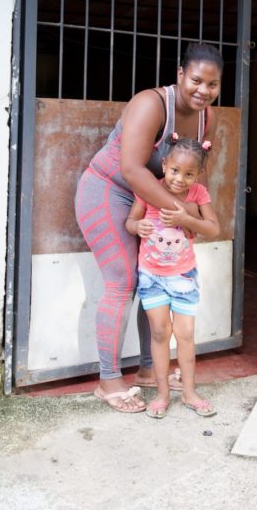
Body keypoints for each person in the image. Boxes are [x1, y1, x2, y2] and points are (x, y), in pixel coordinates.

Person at [75, 42, 223, 412]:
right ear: (180, 75)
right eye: (196, 80)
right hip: (110, 192)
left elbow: (192, 172)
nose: (203, 91)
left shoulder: (209, 119)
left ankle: (147, 370)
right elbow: (132, 170)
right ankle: (108, 381)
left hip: (155, 202)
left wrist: (187, 215)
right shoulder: (151, 103)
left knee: (153, 276)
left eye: (213, 84)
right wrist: (185, 214)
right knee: (123, 280)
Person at [125, 136, 220, 419]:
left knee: (186, 335)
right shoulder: (149, 190)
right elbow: (130, 221)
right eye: (175, 171)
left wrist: (186, 220)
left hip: (183, 276)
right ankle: (162, 394)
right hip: (152, 276)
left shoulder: (198, 194)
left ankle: (189, 392)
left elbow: (213, 229)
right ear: (164, 164)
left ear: (198, 174)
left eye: (189, 174)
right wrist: (137, 226)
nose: (180, 179)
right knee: (159, 333)